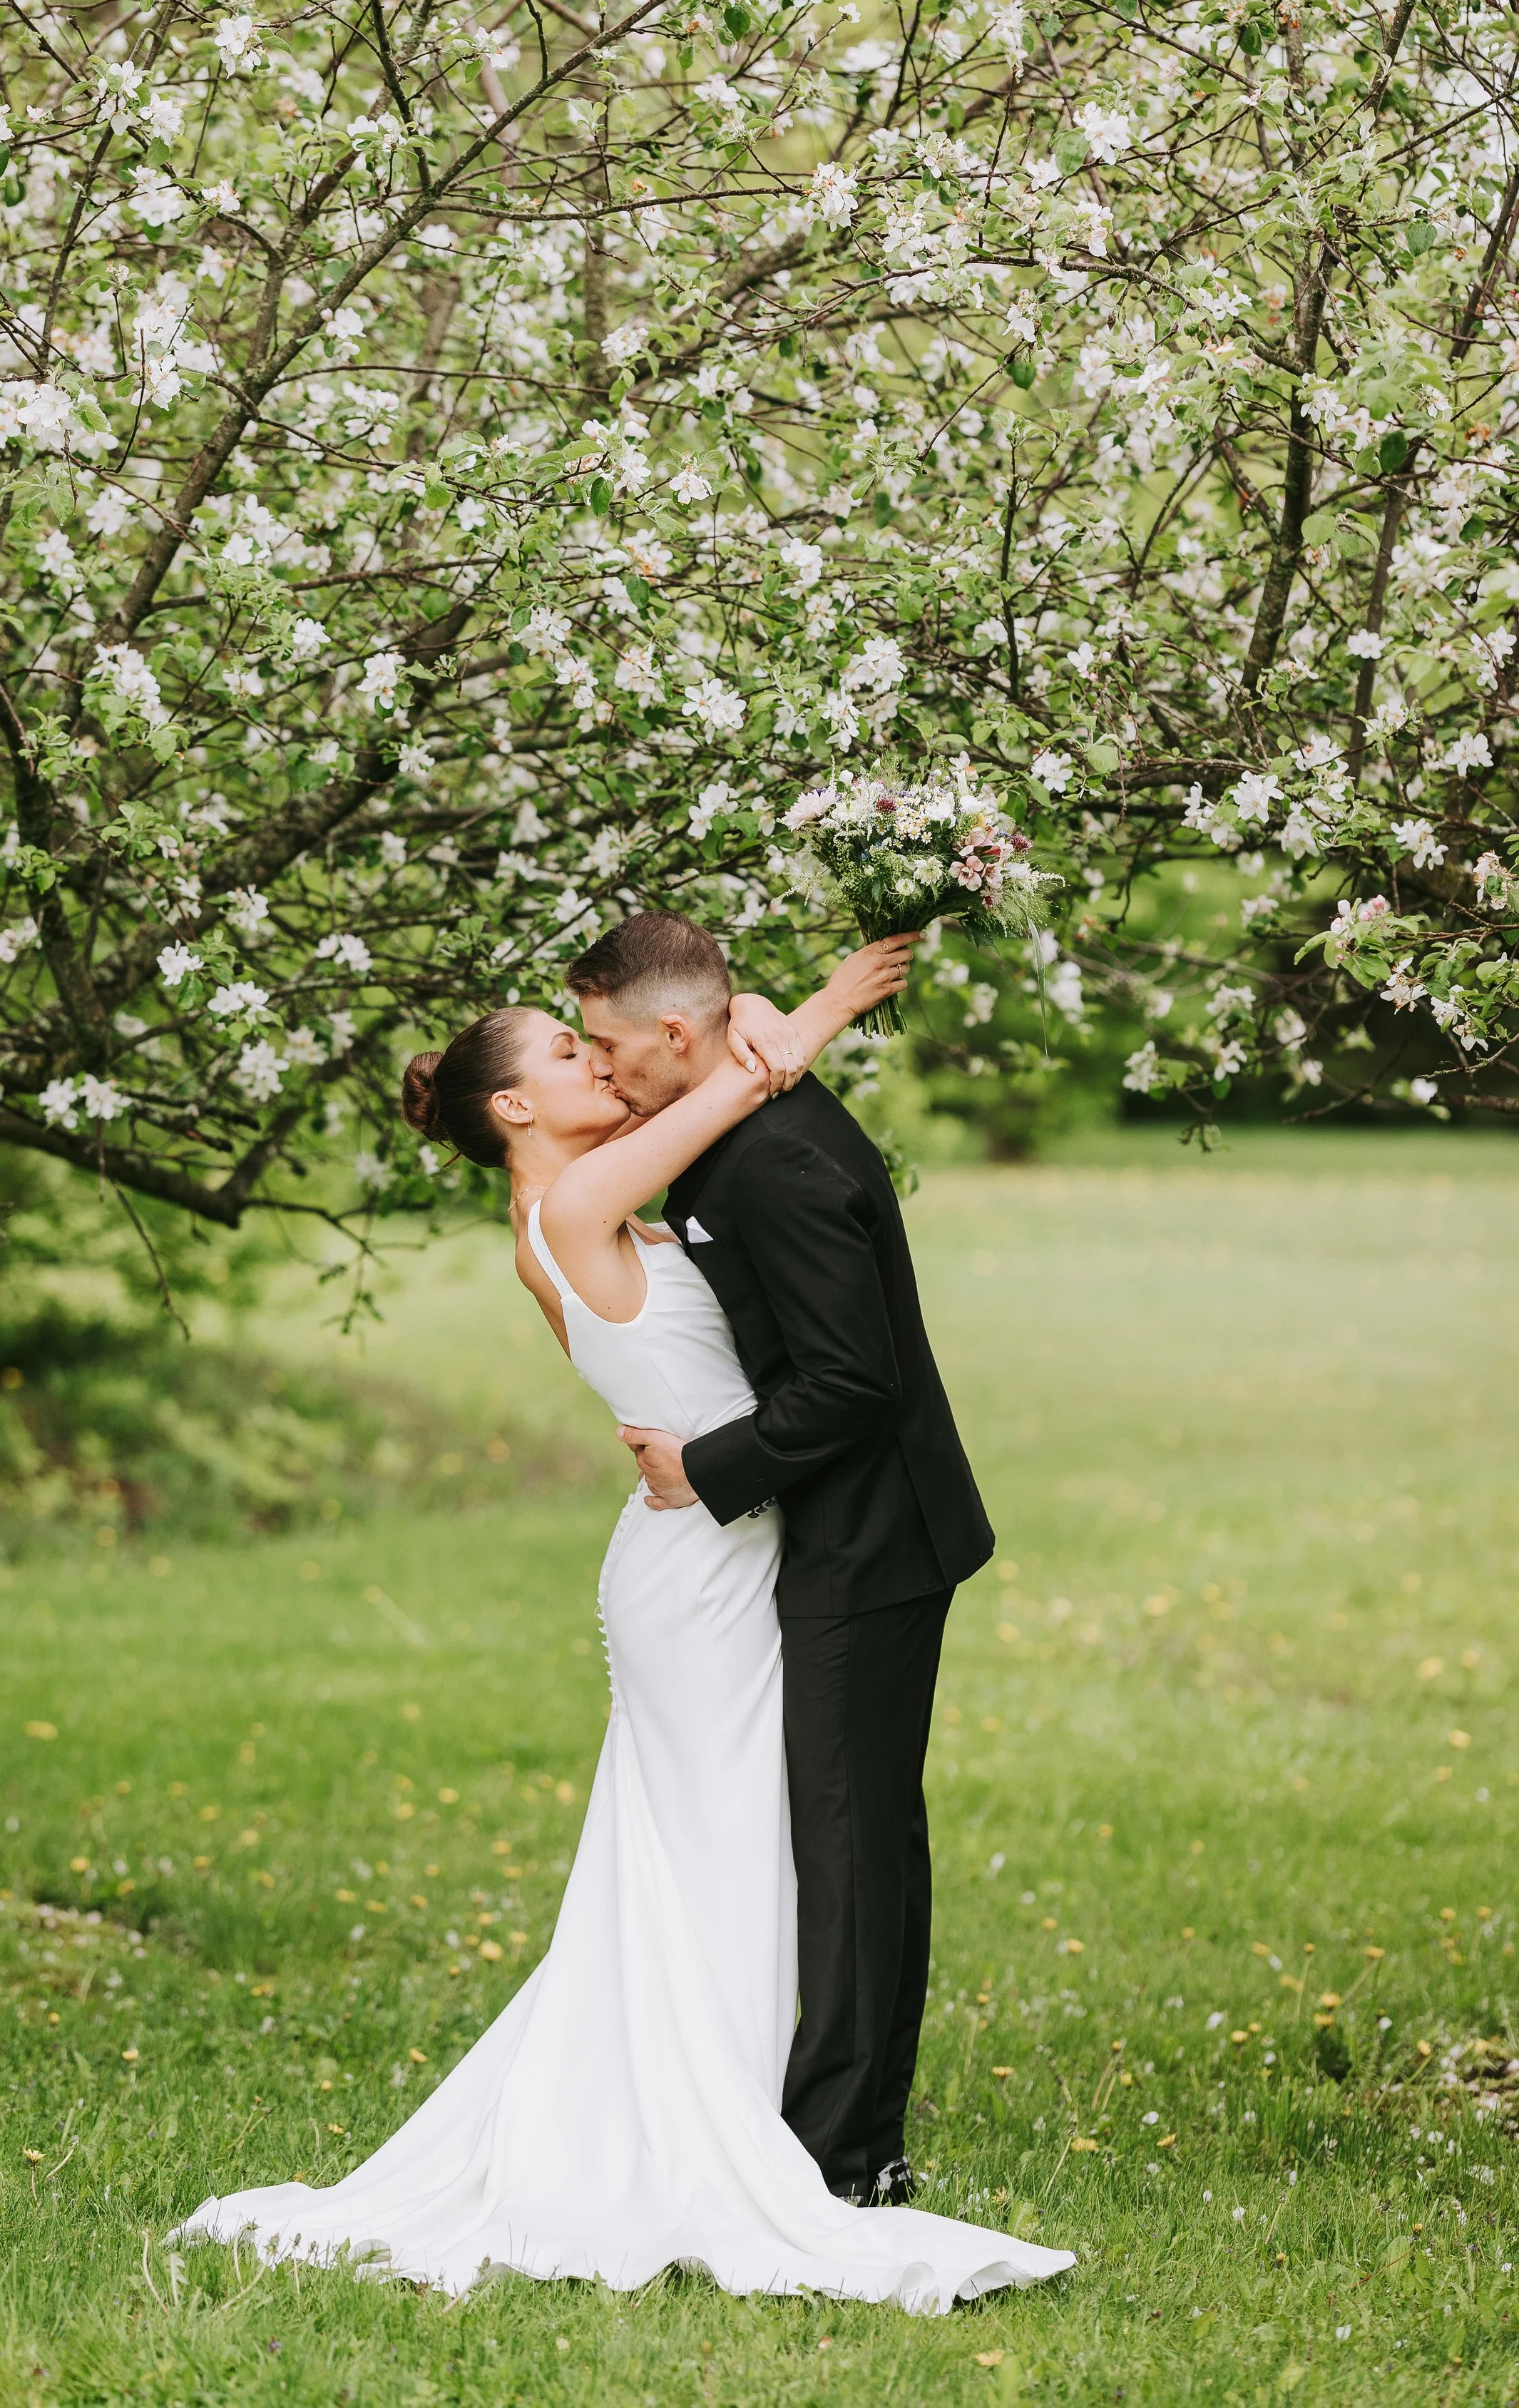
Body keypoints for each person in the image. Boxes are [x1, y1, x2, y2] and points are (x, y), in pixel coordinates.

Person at [174, 934, 1072, 2315]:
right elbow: (726, 1082)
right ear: (517, 1111)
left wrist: (745, 1016)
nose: (593, 1064)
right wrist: (812, 1004)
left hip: (698, 1545)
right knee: (723, 1833)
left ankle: (735, 2093)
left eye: (594, 1043)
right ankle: (729, 2118)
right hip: (696, 1564)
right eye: (564, 1054)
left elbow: (705, 1114)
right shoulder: (581, 1195)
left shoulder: (570, 1211)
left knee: (712, 1836)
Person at [568, 911, 993, 2211]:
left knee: (856, 1845)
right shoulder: (735, 1118)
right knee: (847, 1836)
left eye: (607, 1045)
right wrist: (792, 1021)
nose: (600, 1071)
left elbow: (853, 1381)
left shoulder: (776, 1165)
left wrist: (706, 1470)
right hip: (824, 1535)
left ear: (680, 1035)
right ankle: (837, 2127)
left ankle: (849, 2158)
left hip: (872, 1539)